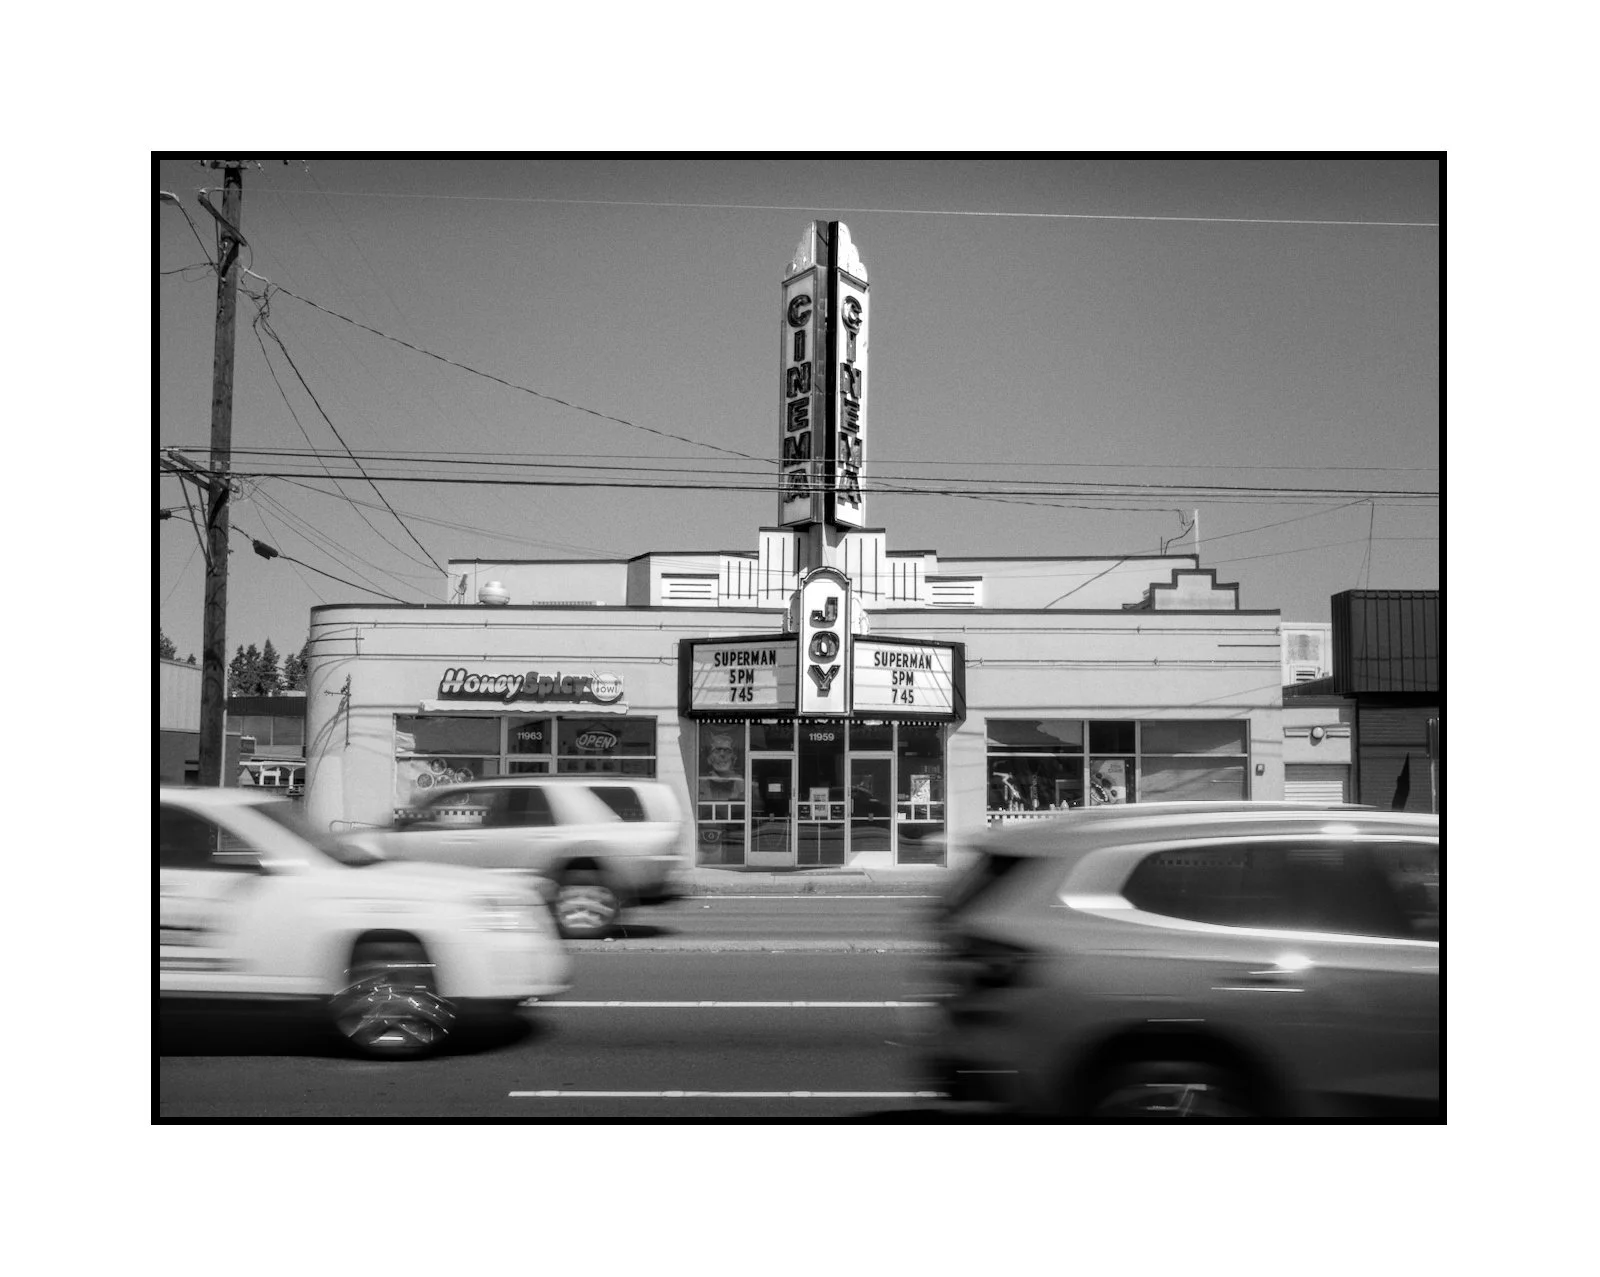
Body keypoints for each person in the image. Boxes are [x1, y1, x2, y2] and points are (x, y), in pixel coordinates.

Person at [699, 731, 745, 801]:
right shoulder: (702, 783)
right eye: (717, 751)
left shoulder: (741, 784)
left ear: (734, 758)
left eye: (727, 751)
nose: (722, 755)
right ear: (709, 758)